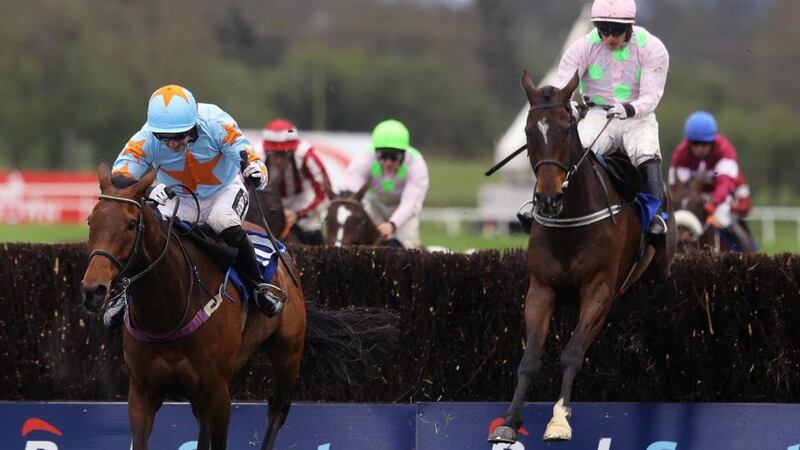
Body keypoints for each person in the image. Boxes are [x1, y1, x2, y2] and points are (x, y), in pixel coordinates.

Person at [106, 84, 283, 328]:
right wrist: (144, 189)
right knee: (147, 233)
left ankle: (258, 287)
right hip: (180, 198)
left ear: (193, 126)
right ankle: (125, 294)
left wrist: (255, 170)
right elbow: (121, 174)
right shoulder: (146, 138)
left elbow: (247, 154)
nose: (171, 145)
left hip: (224, 190)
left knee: (221, 220)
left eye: (178, 137)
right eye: (163, 138)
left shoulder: (215, 123)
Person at [555, 0, 670, 244]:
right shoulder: (582, 47)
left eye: (615, 30)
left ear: (630, 26)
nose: (609, 37)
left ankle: (657, 218)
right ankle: (546, 208)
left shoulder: (652, 48)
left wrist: (629, 109)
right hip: (598, 116)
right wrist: (569, 106)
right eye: (603, 29)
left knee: (646, 152)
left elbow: (651, 96)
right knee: (572, 151)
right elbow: (561, 88)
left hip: (637, 117)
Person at [669, 111, 755, 250]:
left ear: (713, 141)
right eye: (695, 144)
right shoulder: (681, 154)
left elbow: (724, 186)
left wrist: (712, 205)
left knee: (722, 218)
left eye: (704, 143)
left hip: (720, 198)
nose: (700, 149)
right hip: (696, 197)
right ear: (689, 142)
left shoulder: (725, 152)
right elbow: (678, 188)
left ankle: (743, 252)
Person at [343, 119, 429, 248]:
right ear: (376, 152)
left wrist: (393, 224)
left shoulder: (416, 164)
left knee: (409, 248)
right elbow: (351, 189)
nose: (388, 162)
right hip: (375, 205)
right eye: (383, 156)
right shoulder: (364, 158)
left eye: (394, 157)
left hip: (403, 209)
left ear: (403, 154)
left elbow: (410, 202)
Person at [261, 118, 332, 245]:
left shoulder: (307, 155)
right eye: (274, 153)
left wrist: (299, 214)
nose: (279, 160)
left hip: (301, 200)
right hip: (269, 203)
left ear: (293, 149)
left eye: (283, 154)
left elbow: (324, 193)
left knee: (311, 230)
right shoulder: (257, 155)